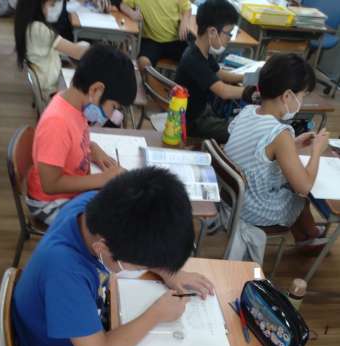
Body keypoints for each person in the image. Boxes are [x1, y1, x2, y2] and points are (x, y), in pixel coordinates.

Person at [13, 166, 214, 346]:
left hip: (83, 336)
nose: (141, 269)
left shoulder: (94, 209)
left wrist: (169, 272)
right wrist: (156, 314)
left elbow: (134, 241)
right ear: (103, 249)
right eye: (138, 266)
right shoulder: (65, 273)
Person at [224, 53, 330, 249]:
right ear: (287, 96)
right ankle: (310, 237)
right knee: (300, 198)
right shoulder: (280, 134)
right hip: (251, 209)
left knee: (289, 186)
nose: (302, 101)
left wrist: (293, 145)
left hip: (231, 198)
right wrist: (317, 151)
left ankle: (306, 236)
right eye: (302, 95)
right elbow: (304, 187)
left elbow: (259, 151)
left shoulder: (248, 112)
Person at [26, 44, 137, 225]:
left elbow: (75, 141)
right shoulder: (56, 122)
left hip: (71, 191)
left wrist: (93, 149)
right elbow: (50, 184)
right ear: (96, 90)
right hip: (50, 204)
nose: (112, 115)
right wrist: (102, 179)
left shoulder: (76, 106)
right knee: (119, 222)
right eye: (114, 107)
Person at [175, 0, 244, 144]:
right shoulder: (194, 59)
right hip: (191, 122)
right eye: (228, 33)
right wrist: (250, 91)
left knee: (234, 124)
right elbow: (223, 91)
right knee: (238, 134)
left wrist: (246, 78)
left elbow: (219, 74)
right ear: (212, 31)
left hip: (201, 112)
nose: (229, 39)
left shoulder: (201, 51)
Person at [14, 0, 89, 101]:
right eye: (50, 5)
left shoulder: (27, 24)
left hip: (45, 81)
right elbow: (77, 52)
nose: (50, 10)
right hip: (50, 88)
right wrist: (88, 45)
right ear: (38, 6)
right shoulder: (40, 29)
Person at [118, 0, 193, 72]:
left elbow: (187, 8)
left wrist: (185, 21)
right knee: (143, 63)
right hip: (151, 40)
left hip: (175, 40)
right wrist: (132, 13)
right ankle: (151, 81)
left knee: (192, 61)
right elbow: (122, 4)